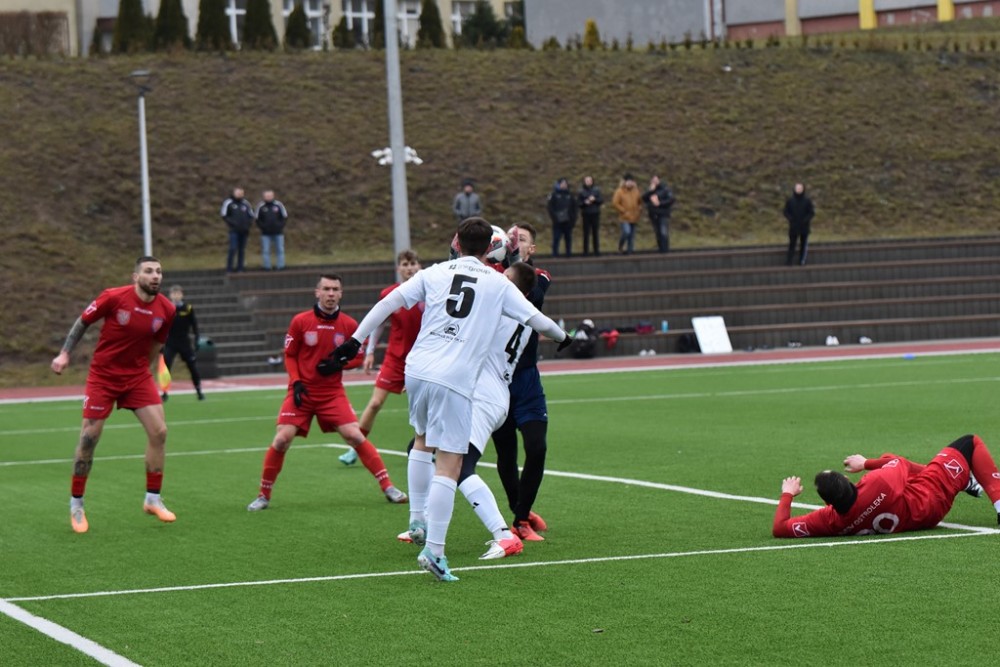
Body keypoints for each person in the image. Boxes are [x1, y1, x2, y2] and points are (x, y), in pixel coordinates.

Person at [329, 218, 570, 581]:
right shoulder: (498, 287)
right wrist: (566, 338)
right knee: (451, 464)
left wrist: (354, 342)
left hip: (418, 370)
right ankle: (437, 551)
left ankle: (419, 520)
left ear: (456, 243)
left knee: (422, 443)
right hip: (460, 379)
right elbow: (541, 322)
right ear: (491, 249)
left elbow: (389, 302)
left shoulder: (436, 272)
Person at [401, 262, 539, 560]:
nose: (498, 278)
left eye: (505, 277)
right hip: (483, 393)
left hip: (483, 397)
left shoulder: (498, 308)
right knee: (423, 447)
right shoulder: (523, 312)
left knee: (460, 466)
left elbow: (458, 318)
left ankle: (504, 535)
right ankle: (422, 521)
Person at [246, 274, 408, 512]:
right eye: (326, 289)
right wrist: (296, 382)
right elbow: (290, 355)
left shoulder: (349, 325)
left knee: (354, 435)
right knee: (281, 439)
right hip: (302, 391)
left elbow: (358, 357)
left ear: (341, 294)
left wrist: (338, 364)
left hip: (331, 393)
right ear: (317, 292)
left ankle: (388, 487)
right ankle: (263, 495)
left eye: (335, 289)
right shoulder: (300, 321)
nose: (330, 294)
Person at [50, 256, 177, 534]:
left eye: (158, 271)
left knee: (159, 432)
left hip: (137, 377)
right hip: (104, 377)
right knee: (89, 439)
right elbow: (82, 322)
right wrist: (64, 353)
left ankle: (152, 499)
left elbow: (157, 344)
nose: (155, 276)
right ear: (136, 277)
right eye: (149, 271)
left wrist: (143, 371)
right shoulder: (113, 297)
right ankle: (76, 504)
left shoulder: (167, 309)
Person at [772, 434, 1000, 538]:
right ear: (849, 481)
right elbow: (900, 463)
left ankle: (962, 479)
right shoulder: (877, 483)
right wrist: (865, 463)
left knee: (888, 459)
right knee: (969, 443)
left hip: (917, 518)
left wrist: (787, 494)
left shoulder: (828, 520)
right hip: (930, 498)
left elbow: (780, 528)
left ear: (827, 502)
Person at [491, 222, 555, 541]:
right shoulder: (492, 277)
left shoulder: (539, 276)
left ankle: (521, 513)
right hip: (495, 380)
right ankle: (520, 516)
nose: (514, 242)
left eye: (521, 239)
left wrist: (514, 264)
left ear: (531, 249)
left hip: (527, 378)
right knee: (506, 454)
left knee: (537, 447)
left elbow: (533, 301)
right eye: (510, 238)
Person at [338, 250, 423, 467]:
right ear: (398, 268)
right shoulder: (390, 294)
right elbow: (379, 323)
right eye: (405, 264)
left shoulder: (430, 292)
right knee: (375, 403)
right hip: (395, 359)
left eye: (413, 263)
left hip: (422, 359)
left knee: (424, 407)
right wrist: (370, 352)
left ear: (419, 266)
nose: (409, 268)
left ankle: (426, 448)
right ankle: (356, 447)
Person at [161, 285, 204, 402]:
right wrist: (160, 342)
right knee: (166, 367)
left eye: (178, 293)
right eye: (174, 293)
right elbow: (161, 325)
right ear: (170, 295)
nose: (176, 296)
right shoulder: (166, 308)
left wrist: (197, 338)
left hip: (184, 342)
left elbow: (194, 325)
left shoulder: (188, 308)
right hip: (171, 342)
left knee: (192, 366)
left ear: (182, 295)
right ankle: (164, 392)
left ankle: (199, 391)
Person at [221, 187, 255, 273]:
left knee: (241, 250)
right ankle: (229, 268)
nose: (239, 194)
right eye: (238, 193)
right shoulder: (229, 202)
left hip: (244, 230)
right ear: (234, 193)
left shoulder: (246, 203)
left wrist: (248, 224)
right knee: (233, 248)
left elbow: (251, 215)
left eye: (241, 193)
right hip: (234, 230)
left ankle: (240, 267)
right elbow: (224, 215)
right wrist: (232, 223)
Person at [255, 189, 288, 271]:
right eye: (267, 196)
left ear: (273, 196)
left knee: (280, 250)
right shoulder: (260, 206)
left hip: (278, 232)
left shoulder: (279, 205)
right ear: (264, 197)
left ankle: (280, 266)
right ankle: (267, 267)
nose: (268, 197)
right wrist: (263, 227)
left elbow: (284, 217)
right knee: (266, 250)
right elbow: (257, 219)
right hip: (265, 233)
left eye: (270, 195)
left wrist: (280, 226)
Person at [642, 174, 675, 253]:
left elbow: (671, 200)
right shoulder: (650, 190)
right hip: (653, 214)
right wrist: (650, 191)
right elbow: (644, 198)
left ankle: (665, 250)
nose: (654, 182)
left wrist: (660, 203)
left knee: (663, 231)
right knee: (658, 232)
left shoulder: (665, 189)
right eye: (653, 180)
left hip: (663, 214)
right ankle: (661, 249)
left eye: (656, 180)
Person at [784, 182, 815, 266]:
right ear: (794, 189)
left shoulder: (807, 201)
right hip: (793, 226)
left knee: (803, 245)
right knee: (792, 244)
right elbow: (785, 211)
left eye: (800, 188)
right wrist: (790, 219)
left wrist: (806, 220)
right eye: (797, 188)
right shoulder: (790, 201)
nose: (798, 190)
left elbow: (811, 212)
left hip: (804, 227)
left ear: (803, 189)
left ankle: (802, 261)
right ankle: (789, 261)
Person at [546, 177, 577, 257]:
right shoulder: (554, 195)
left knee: (568, 239)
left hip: (568, 221)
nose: (564, 185)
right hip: (558, 222)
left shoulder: (570, 195)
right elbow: (550, 208)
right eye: (562, 184)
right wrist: (555, 218)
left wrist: (573, 220)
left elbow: (574, 208)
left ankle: (568, 254)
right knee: (556, 238)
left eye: (565, 184)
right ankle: (555, 254)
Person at [612, 174, 643, 255]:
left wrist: (639, 208)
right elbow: (615, 203)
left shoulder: (636, 191)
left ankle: (630, 251)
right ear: (624, 182)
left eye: (631, 181)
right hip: (624, 217)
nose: (629, 183)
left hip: (634, 216)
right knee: (626, 232)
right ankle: (621, 245)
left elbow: (640, 201)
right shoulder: (620, 191)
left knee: (632, 236)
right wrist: (623, 210)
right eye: (628, 182)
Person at [577, 176, 604, 256]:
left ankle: (596, 250)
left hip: (595, 213)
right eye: (587, 181)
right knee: (586, 233)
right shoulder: (581, 191)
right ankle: (585, 251)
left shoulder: (596, 190)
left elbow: (601, 200)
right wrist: (585, 202)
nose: (588, 182)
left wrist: (594, 199)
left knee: (595, 233)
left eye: (590, 180)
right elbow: (578, 203)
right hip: (586, 214)